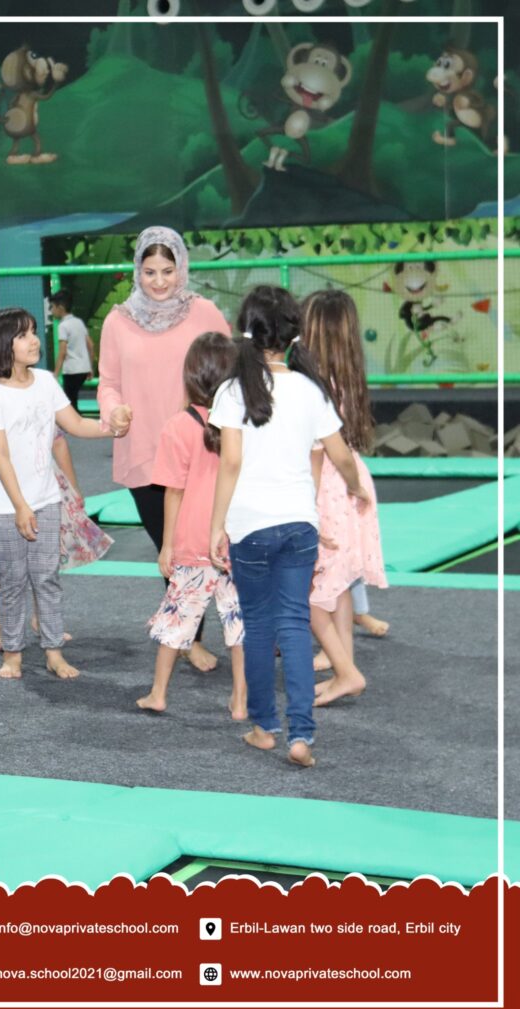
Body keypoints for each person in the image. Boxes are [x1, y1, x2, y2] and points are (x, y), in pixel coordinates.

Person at [208, 286, 370, 768]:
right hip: (299, 525)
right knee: (296, 624)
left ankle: (265, 728)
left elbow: (230, 463)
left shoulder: (233, 391)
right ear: (294, 335)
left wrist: (217, 525)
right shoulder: (310, 390)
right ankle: (301, 734)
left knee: (259, 627)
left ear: (246, 331)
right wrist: (356, 486)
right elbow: (340, 454)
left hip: (251, 526)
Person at [97, 225, 229, 673]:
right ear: (137, 269)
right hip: (145, 454)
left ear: (181, 268)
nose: (158, 281)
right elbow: (108, 383)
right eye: (149, 271)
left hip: (204, 450)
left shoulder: (204, 312)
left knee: (219, 544)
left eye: (167, 271)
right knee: (174, 552)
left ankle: (250, 627)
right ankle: (191, 639)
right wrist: (113, 410)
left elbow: (230, 373)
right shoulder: (118, 321)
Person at [0, 307, 124, 680]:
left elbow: (75, 424)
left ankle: (54, 652)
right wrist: (20, 506)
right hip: (5, 505)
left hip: (47, 498)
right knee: (12, 581)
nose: (35, 340)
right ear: (2, 344)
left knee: (47, 577)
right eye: (23, 335)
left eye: (34, 331)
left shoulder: (44, 381)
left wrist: (112, 427)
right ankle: (13, 654)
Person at [140, 332, 247, 718]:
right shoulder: (245, 423)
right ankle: (240, 699)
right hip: (235, 537)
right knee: (240, 622)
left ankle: (159, 693)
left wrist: (167, 545)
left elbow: (174, 492)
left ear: (191, 376)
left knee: (178, 618)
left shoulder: (178, 426)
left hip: (193, 542)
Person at [0, 385, 112, 652]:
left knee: (45, 560)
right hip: (6, 491)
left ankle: (43, 620)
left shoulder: (41, 389)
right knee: (6, 563)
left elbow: (59, 442)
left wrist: (73, 486)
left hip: (45, 485)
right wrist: (2, 471)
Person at [300, 289, 388, 706]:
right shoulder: (346, 378)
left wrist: (311, 505)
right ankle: (341, 661)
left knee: (315, 589)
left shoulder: (315, 386)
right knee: (338, 583)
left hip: (328, 488)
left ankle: (346, 672)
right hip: (347, 481)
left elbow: (321, 453)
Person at [50, 289, 96, 411]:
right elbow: (91, 345)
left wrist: (56, 373)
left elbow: (62, 352)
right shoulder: (78, 322)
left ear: (60, 308)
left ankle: (78, 423)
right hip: (83, 370)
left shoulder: (63, 326)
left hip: (72, 371)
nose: (51, 310)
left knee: (70, 405)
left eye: (52, 307)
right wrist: (89, 368)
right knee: (73, 402)